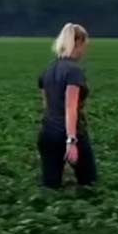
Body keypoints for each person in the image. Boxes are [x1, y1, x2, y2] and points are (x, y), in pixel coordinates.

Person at [36, 22, 96, 189]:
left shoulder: (48, 70)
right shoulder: (74, 71)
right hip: (69, 133)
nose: (84, 51)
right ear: (77, 43)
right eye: (84, 46)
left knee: (50, 187)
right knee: (89, 183)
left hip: (47, 134)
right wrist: (71, 141)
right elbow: (70, 107)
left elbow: (47, 105)